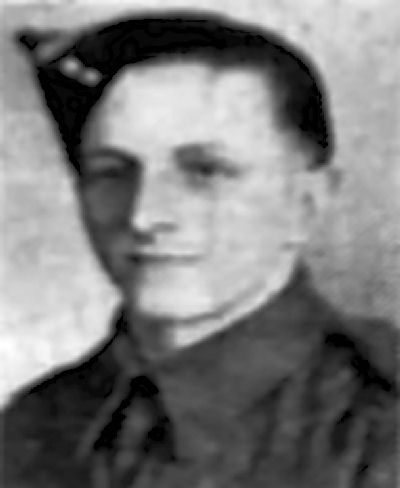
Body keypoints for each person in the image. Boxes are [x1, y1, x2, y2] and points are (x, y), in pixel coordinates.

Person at [2, 10, 397, 488]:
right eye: (112, 172)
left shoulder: (378, 428)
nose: (144, 215)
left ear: (305, 202)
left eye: (205, 172)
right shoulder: (33, 425)